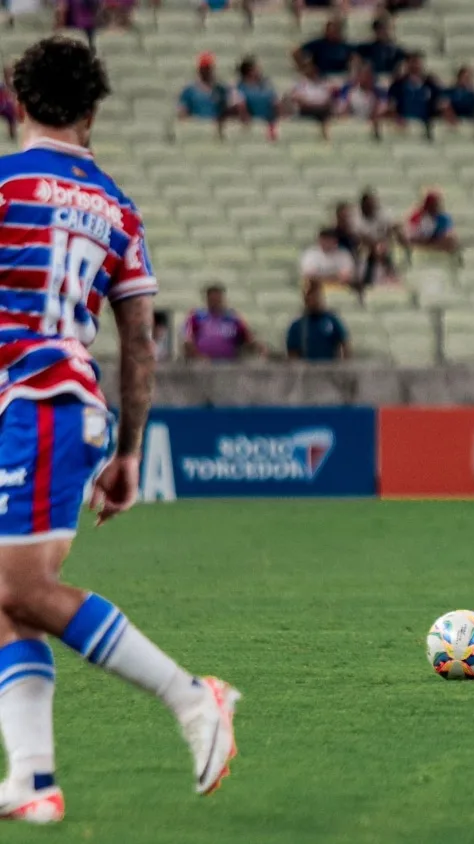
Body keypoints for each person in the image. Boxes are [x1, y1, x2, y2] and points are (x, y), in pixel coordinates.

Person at [0, 37, 240, 824]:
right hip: (73, 405)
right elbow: (138, 342)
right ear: (93, 109)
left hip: (36, 402)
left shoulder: (5, 185)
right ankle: (34, 782)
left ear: (17, 99)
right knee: (8, 601)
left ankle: (192, 696)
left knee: (21, 588)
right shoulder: (115, 205)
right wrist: (130, 449)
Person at [182, 284, 261, 360]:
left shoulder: (233, 318)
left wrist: (260, 348)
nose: (215, 301)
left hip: (229, 363)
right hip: (202, 363)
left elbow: (249, 338)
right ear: (207, 299)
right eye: (212, 299)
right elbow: (188, 340)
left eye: (217, 298)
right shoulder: (196, 317)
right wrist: (199, 357)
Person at [287, 283, 349, 361]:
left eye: (317, 297)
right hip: (306, 370)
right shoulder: (298, 326)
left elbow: (345, 343)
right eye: (312, 298)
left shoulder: (332, 321)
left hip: (330, 368)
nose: (315, 301)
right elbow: (292, 353)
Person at [236, 56, 279, 141]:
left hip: (268, 120)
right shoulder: (240, 88)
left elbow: (275, 103)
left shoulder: (266, 85)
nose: (259, 70)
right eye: (256, 68)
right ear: (249, 71)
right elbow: (241, 106)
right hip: (253, 122)